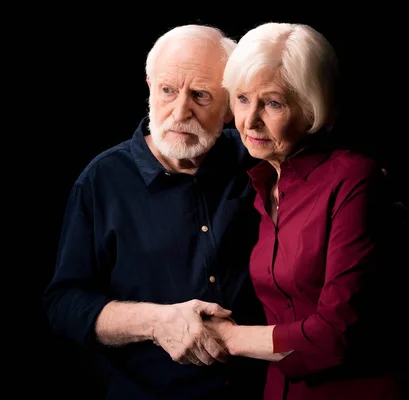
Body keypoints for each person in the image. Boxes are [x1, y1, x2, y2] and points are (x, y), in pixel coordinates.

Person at [43, 24, 267, 400]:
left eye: (200, 95)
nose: (181, 111)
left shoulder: (257, 157)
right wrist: (156, 322)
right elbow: (64, 304)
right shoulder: (102, 180)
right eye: (167, 90)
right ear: (149, 86)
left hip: (260, 391)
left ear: (231, 104)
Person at [203, 22, 405, 399]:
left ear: (312, 107)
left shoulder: (352, 179)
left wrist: (228, 338)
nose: (250, 121)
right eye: (243, 99)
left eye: (273, 103)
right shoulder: (261, 180)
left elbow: (335, 335)